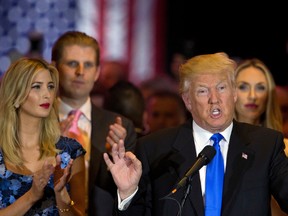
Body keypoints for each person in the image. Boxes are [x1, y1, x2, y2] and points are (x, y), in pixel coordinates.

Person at [104, 52, 288, 216]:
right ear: (188, 100)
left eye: (222, 88)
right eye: (202, 91)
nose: (214, 99)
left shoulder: (266, 144)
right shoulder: (154, 149)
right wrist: (127, 194)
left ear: (233, 94)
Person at [51, 30, 137, 216]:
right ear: (54, 68)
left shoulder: (120, 127)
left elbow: (125, 199)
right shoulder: (35, 121)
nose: (80, 72)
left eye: (88, 65)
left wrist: (112, 157)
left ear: (97, 72)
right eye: (72, 63)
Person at [0, 58, 86, 215]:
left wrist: (62, 197)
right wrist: (32, 196)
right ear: (16, 95)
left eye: (50, 87)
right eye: (37, 87)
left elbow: (79, 210)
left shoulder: (71, 152)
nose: (47, 94)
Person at [234, 58, 288, 216]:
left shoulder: (285, 149)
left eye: (260, 88)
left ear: (269, 95)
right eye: (243, 87)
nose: (252, 96)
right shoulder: (215, 146)